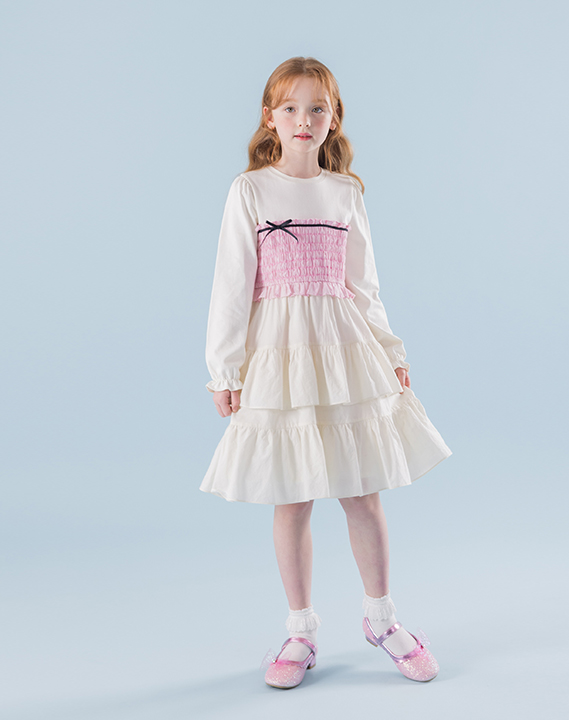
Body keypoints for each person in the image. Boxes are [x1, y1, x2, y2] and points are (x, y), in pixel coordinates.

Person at [200, 56, 453, 689]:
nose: (304, 119)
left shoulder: (346, 193)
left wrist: (391, 352)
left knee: (361, 490)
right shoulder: (250, 190)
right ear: (270, 117)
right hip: (279, 354)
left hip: (342, 351)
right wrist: (225, 369)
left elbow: (363, 285)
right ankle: (300, 631)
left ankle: (381, 619)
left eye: (317, 108)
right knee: (292, 496)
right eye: (290, 107)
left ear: (333, 117)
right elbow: (232, 286)